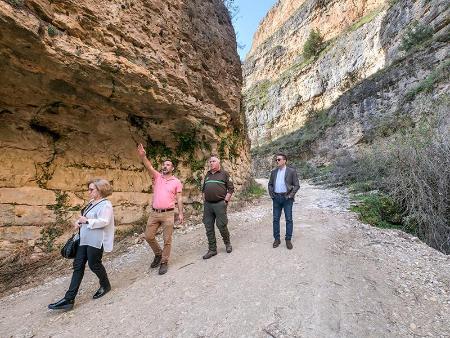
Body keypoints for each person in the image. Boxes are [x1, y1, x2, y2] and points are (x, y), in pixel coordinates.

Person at [48, 178, 115, 311]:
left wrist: (87, 220)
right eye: (89, 189)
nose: (88, 191)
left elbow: (104, 221)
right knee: (78, 266)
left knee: (94, 264)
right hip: (84, 238)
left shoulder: (106, 204)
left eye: (91, 189)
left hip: (96, 239)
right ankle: (69, 299)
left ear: (100, 190)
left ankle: (105, 285)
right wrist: (79, 222)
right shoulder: (91, 202)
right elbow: (84, 217)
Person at [137, 143, 183, 275]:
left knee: (167, 239)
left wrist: (180, 213)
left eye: (168, 164)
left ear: (172, 168)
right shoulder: (157, 177)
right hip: (154, 213)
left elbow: (179, 198)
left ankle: (164, 261)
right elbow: (149, 166)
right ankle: (158, 254)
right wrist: (143, 156)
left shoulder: (176, 182)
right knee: (148, 236)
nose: (165, 166)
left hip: (168, 214)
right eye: (164, 164)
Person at [201, 155, 234, 259]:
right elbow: (203, 189)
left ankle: (227, 244)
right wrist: (204, 200)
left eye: (213, 161)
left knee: (222, 225)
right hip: (208, 205)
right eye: (210, 161)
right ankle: (212, 249)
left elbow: (230, 189)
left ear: (218, 163)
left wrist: (225, 201)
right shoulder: (208, 174)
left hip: (220, 204)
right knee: (208, 227)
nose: (211, 163)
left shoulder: (224, 174)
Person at [268, 153, 300, 250]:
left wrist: (290, 195)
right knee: (275, 220)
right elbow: (270, 184)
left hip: (287, 199)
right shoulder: (273, 172)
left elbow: (297, 185)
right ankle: (277, 239)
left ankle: (288, 240)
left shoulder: (291, 171)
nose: (277, 161)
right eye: (276, 160)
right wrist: (272, 195)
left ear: (284, 160)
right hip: (276, 198)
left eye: (279, 159)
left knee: (289, 219)